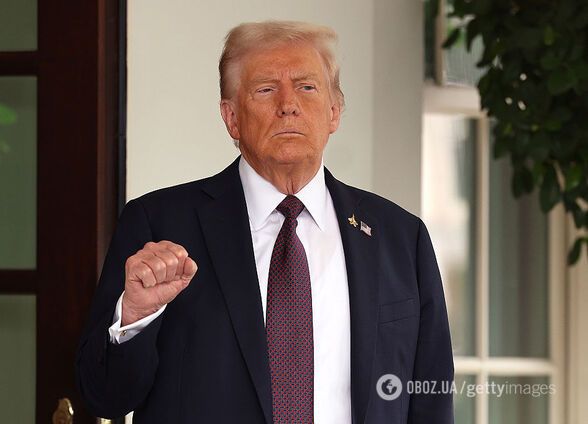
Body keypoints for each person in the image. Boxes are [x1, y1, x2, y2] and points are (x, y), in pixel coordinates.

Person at [76, 20, 454, 424]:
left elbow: (430, 398)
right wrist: (135, 317)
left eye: (306, 87)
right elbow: (103, 398)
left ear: (334, 112)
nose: (288, 104)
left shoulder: (400, 236)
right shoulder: (160, 224)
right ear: (232, 117)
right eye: (266, 89)